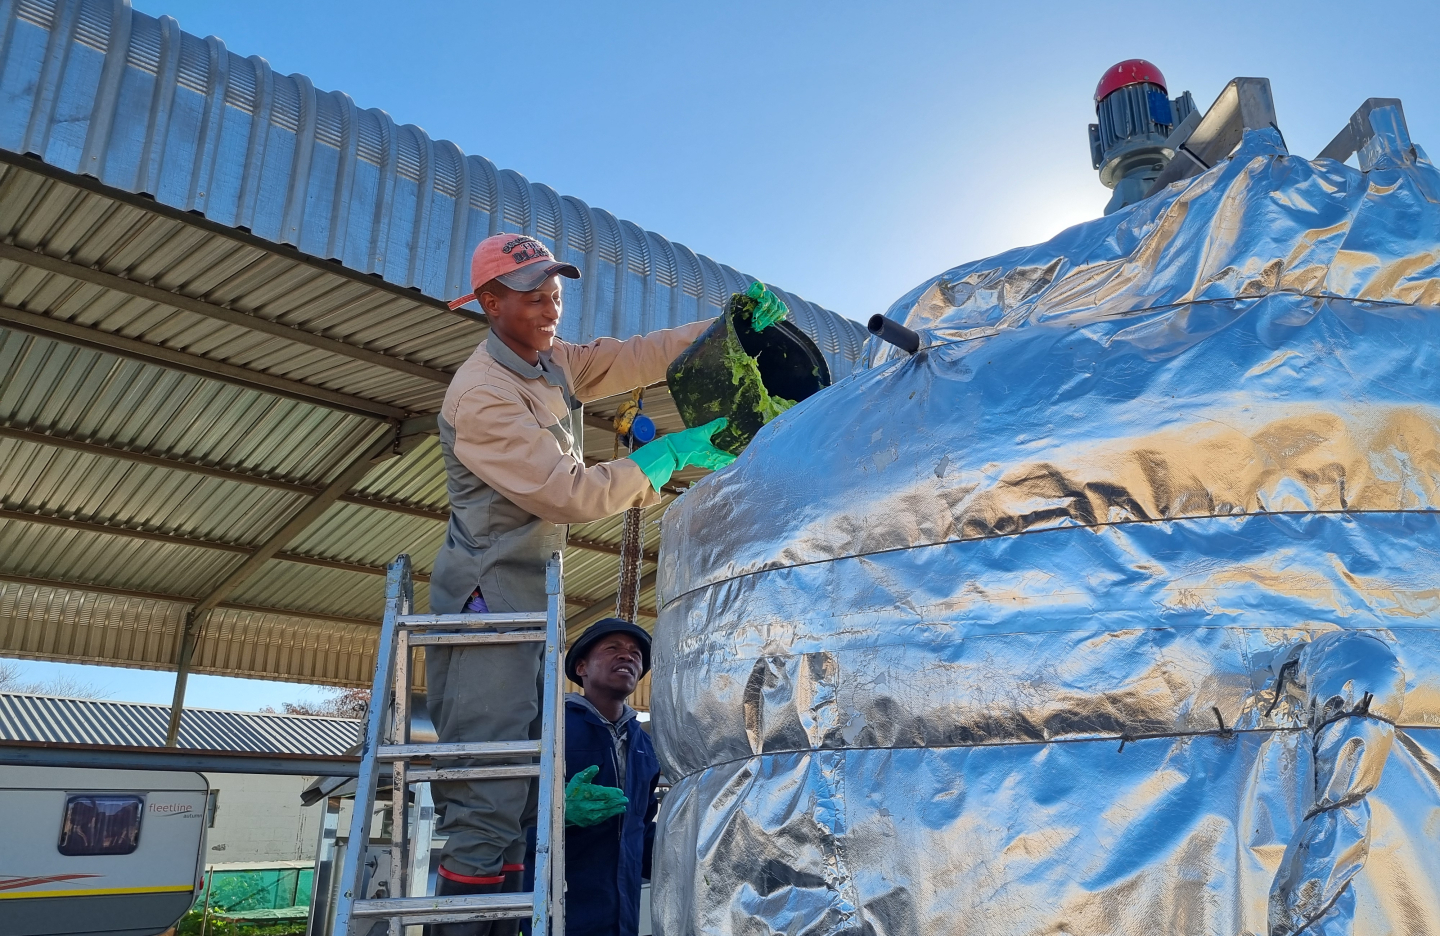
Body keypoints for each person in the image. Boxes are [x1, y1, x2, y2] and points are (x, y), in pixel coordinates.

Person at [424, 231, 788, 936]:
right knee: (487, 792)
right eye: (531, 291)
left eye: (554, 286)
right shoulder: (483, 395)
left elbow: (631, 357)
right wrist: (668, 453)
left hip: (530, 600)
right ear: (490, 302)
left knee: (521, 783)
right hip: (486, 603)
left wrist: (726, 329)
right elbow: (571, 495)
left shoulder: (548, 365)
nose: (550, 300)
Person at [552, 618, 662, 936]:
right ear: (582, 667)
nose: (627, 656)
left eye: (635, 653)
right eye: (612, 648)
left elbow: (639, 828)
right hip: (559, 908)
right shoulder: (552, 729)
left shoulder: (644, 745)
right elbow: (513, 810)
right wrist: (559, 814)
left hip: (620, 915)